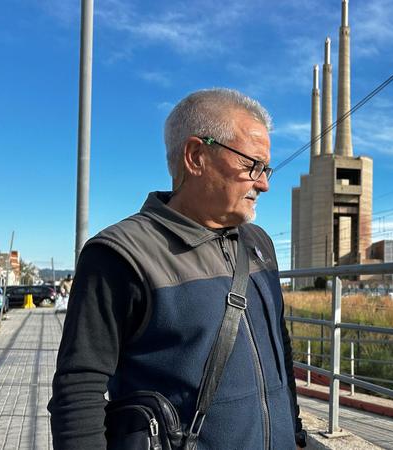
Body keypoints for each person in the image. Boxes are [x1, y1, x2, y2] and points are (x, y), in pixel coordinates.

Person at [49, 88, 306, 449]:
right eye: (252, 165)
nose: (263, 183)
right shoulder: (120, 254)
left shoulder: (260, 244)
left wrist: (294, 435)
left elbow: (281, 350)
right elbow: (78, 389)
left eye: (267, 169)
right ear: (196, 155)